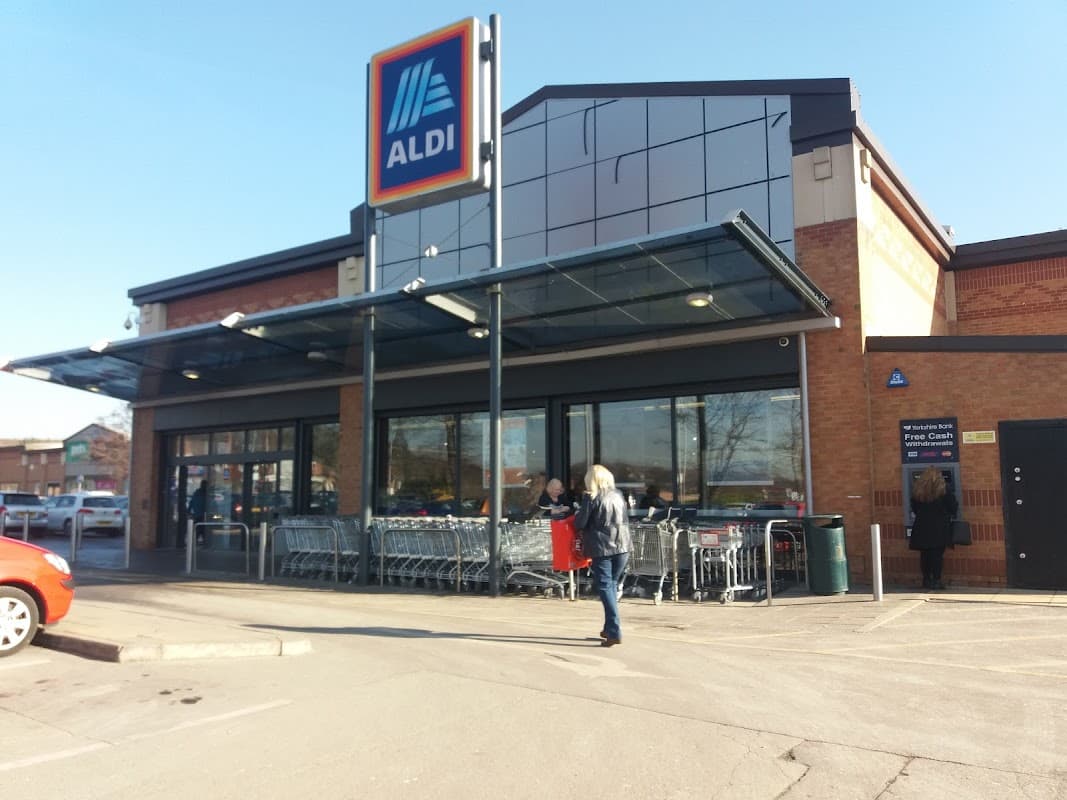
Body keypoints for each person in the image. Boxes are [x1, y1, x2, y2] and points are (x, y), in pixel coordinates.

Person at [574, 464, 632, 647]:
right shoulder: (618, 495)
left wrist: (579, 512)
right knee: (612, 585)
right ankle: (609, 628)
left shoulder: (591, 497)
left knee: (606, 587)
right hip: (622, 545)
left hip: (602, 546)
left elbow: (580, 523)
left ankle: (614, 631)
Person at [909, 466, 958, 590]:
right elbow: (952, 506)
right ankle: (936, 580)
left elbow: (914, 507)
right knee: (937, 555)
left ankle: (926, 579)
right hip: (939, 527)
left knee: (924, 554)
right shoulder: (944, 488)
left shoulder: (918, 489)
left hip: (922, 526)